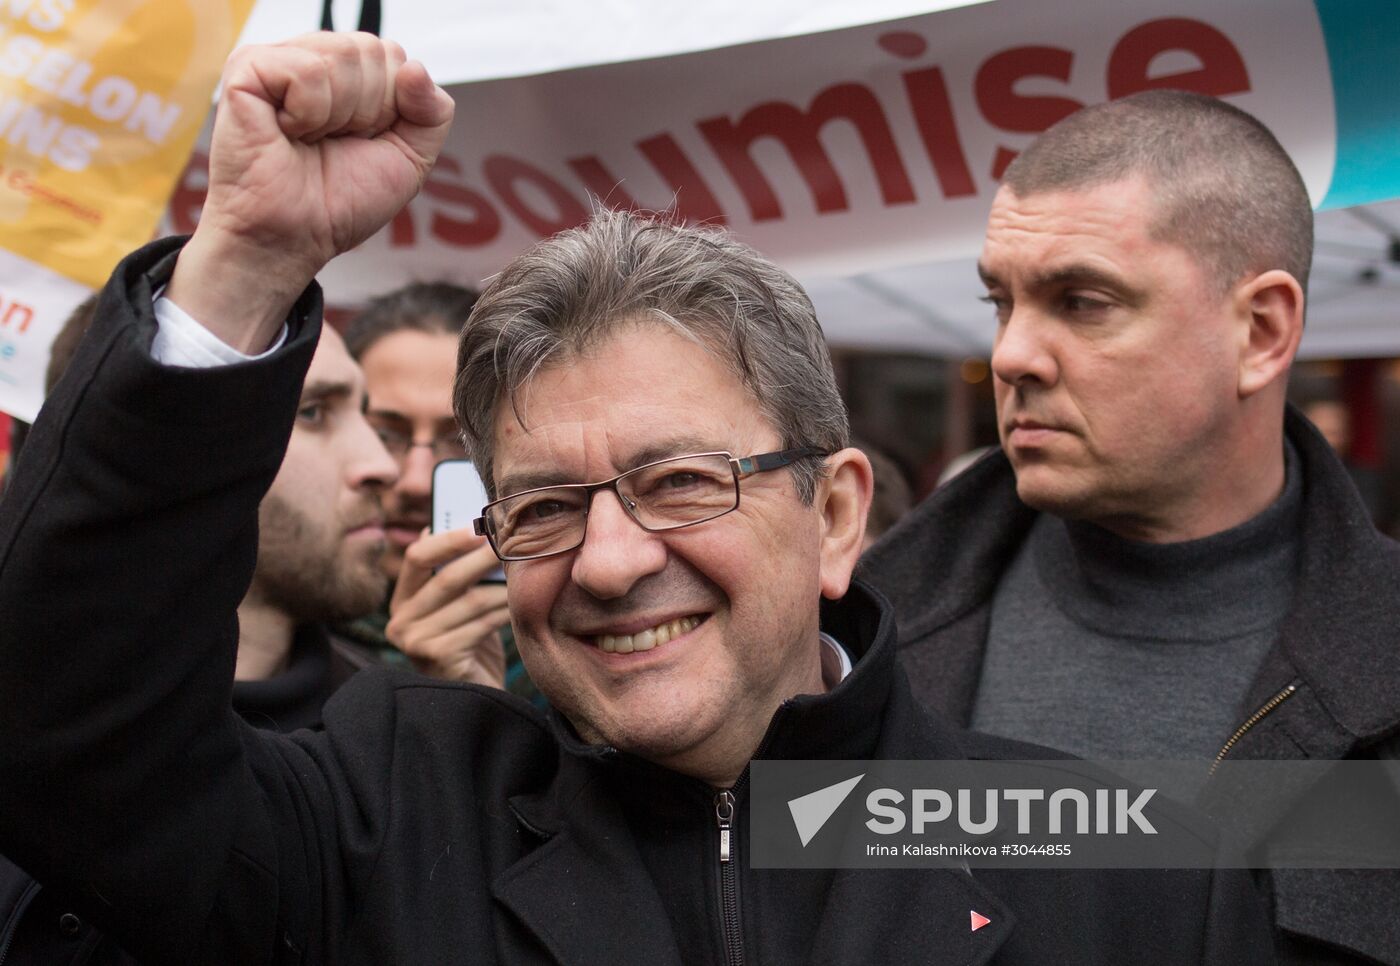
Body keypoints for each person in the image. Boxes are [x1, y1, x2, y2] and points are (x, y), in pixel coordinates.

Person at [0, 36, 1272, 963]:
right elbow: (71, 738)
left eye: (678, 483)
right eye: (543, 508)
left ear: (832, 516)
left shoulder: (1111, 854)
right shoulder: (393, 802)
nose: (607, 562)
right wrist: (247, 260)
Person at [861, 90, 1400, 965]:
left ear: (1261, 332)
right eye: (1001, 302)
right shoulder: (852, 648)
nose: (1010, 355)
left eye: (1082, 301)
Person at [0, 301, 397, 959]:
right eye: (315, 413)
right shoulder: (25, 703)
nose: (381, 463)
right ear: (157, 450)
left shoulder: (383, 751)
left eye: (367, 415)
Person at [336, 283, 537, 699]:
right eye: (385, 434)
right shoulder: (269, 642)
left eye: (460, 442)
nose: (415, 480)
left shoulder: (573, 651)